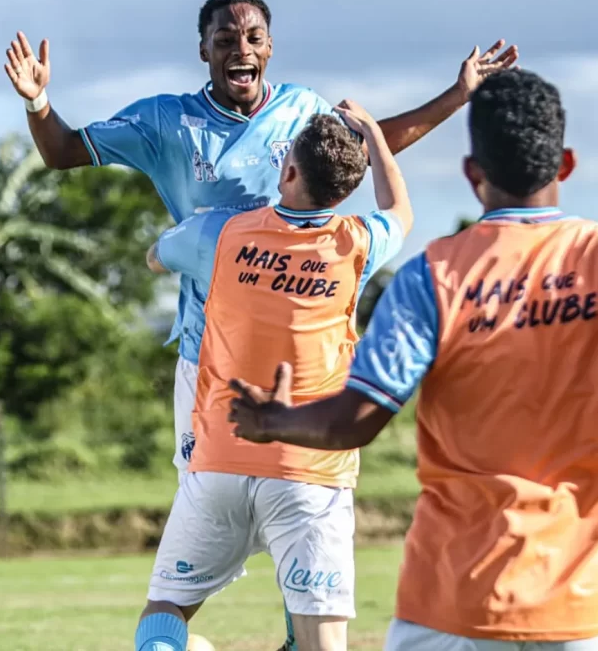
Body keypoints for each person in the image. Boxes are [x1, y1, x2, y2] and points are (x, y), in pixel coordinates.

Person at [228, 69, 598, 651]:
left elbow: (355, 421)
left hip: (449, 605)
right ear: (565, 164)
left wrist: (273, 422)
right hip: (580, 611)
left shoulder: (432, 275)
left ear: (473, 174)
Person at [4, 0, 517, 480]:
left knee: (301, 492)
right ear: (203, 50)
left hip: (296, 349)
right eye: (225, 39)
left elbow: (360, 154)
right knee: (207, 501)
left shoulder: (301, 111)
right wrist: (38, 101)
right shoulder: (166, 122)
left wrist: (457, 95)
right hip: (206, 348)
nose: (240, 48)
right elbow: (63, 151)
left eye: (253, 38)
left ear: (270, 47)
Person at [137, 101, 412, 651]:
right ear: (343, 193)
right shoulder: (356, 244)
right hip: (311, 472)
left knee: (164, 614)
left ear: (287, 172)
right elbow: (400, 209)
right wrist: (376, 137)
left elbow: (154, 258)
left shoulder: (220, 233)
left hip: (218, 461)